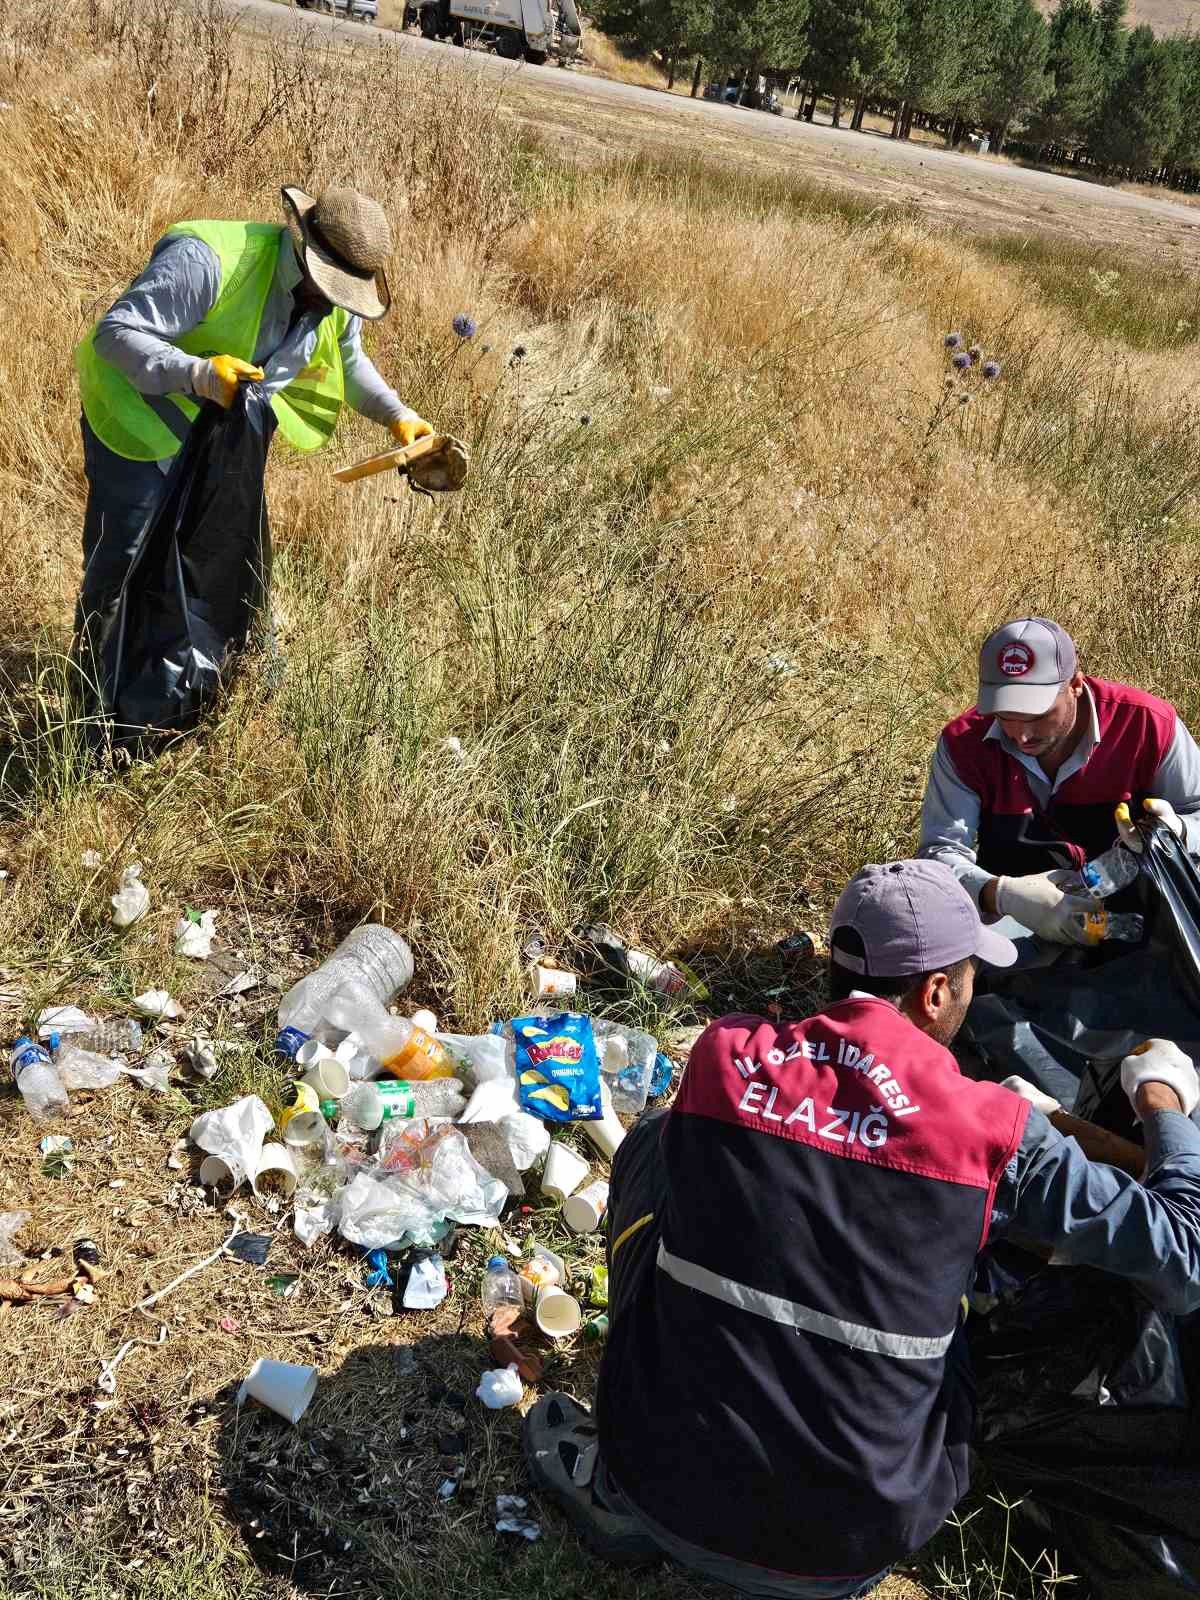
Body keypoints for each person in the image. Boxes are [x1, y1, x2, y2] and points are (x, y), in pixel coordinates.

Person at [524, 859, 1200, 1598]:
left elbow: (813, 1159)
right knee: (1027, 1289)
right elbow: (1182, 1256)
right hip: (850, 1545)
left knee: (656, 1142)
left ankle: (617, 1487)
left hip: (657, 1483)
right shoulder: (992, 1130)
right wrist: (1163, 1100)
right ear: (937, 991)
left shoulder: (725, 1056)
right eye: (972, 973)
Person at [73, 183, 434, 713]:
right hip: (136, 418)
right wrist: (196, 373)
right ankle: (89, 698)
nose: (330, 302)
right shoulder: (210, 261)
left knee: (231, 559)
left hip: (217, 441)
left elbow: (350, 360)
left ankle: (219, 689)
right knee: (123, 557)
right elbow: (116, 333)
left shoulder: (333, 297)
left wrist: (399, 417)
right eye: (326, 284)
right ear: (302, 245)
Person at [918, 617, 1200, 944]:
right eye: (1004, 715)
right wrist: (1001, 895)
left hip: (1140, 914)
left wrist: (1177, 830)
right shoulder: (963, 743)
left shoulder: (1146, 724)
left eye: (1037, 715)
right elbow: (939, 854)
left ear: (1075, 685)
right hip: (1018, 927)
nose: (1020, 735)